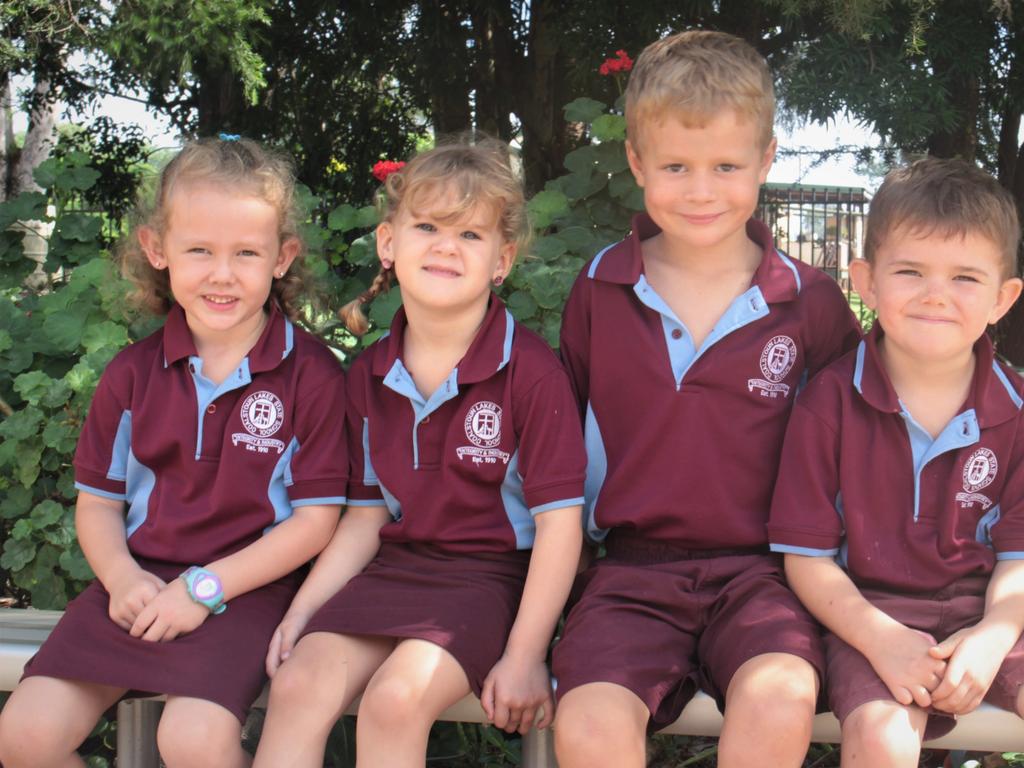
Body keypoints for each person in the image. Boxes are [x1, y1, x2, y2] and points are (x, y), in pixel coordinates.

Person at [551, 29, 863, 768]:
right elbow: (559, 450)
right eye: (676, 166)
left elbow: (861, 442)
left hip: (767, 572)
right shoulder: (598, 289)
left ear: (765, 160)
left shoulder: (810, 302)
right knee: (590, 723)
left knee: (781, 692)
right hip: (629, 573)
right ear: (635, 163)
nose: (700, 190)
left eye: (726, 165)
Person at [0, 136, 348, 768]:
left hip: (247, 590)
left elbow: (317, 522)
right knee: (23, 736)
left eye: (246, 252)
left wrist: (205, 587)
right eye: (199, 251)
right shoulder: (132, 375)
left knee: (191, 741)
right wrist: (121, 576)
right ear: (157, 251)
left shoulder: (313, 376)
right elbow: (99, 506)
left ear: (282, 256)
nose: (222, 273)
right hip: (137, 582)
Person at [252, 137, 586, 768]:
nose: (444, 245)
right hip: (398, 572)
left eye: (470, 235)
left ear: (502, 260)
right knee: (297, 680)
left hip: (490, 582)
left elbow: (560, 529)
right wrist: (301, 613)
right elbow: (364, 518)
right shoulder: (368, 375)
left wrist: (524, 654)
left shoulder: (531, 375)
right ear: (388, 243)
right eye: (427, 226)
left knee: (394, 700)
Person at [769, 157, 1024, 766]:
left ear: (1003, 298)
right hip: (869, 617)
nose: (936, 294)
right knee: (882, 736)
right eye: (910, 270)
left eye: (965, 277)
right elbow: (805, 558)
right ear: (867, 281)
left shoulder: (1016, 410)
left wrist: (993, 637)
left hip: (989, 612)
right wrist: (879, 639)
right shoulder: (827, 402)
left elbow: (1018, 558)